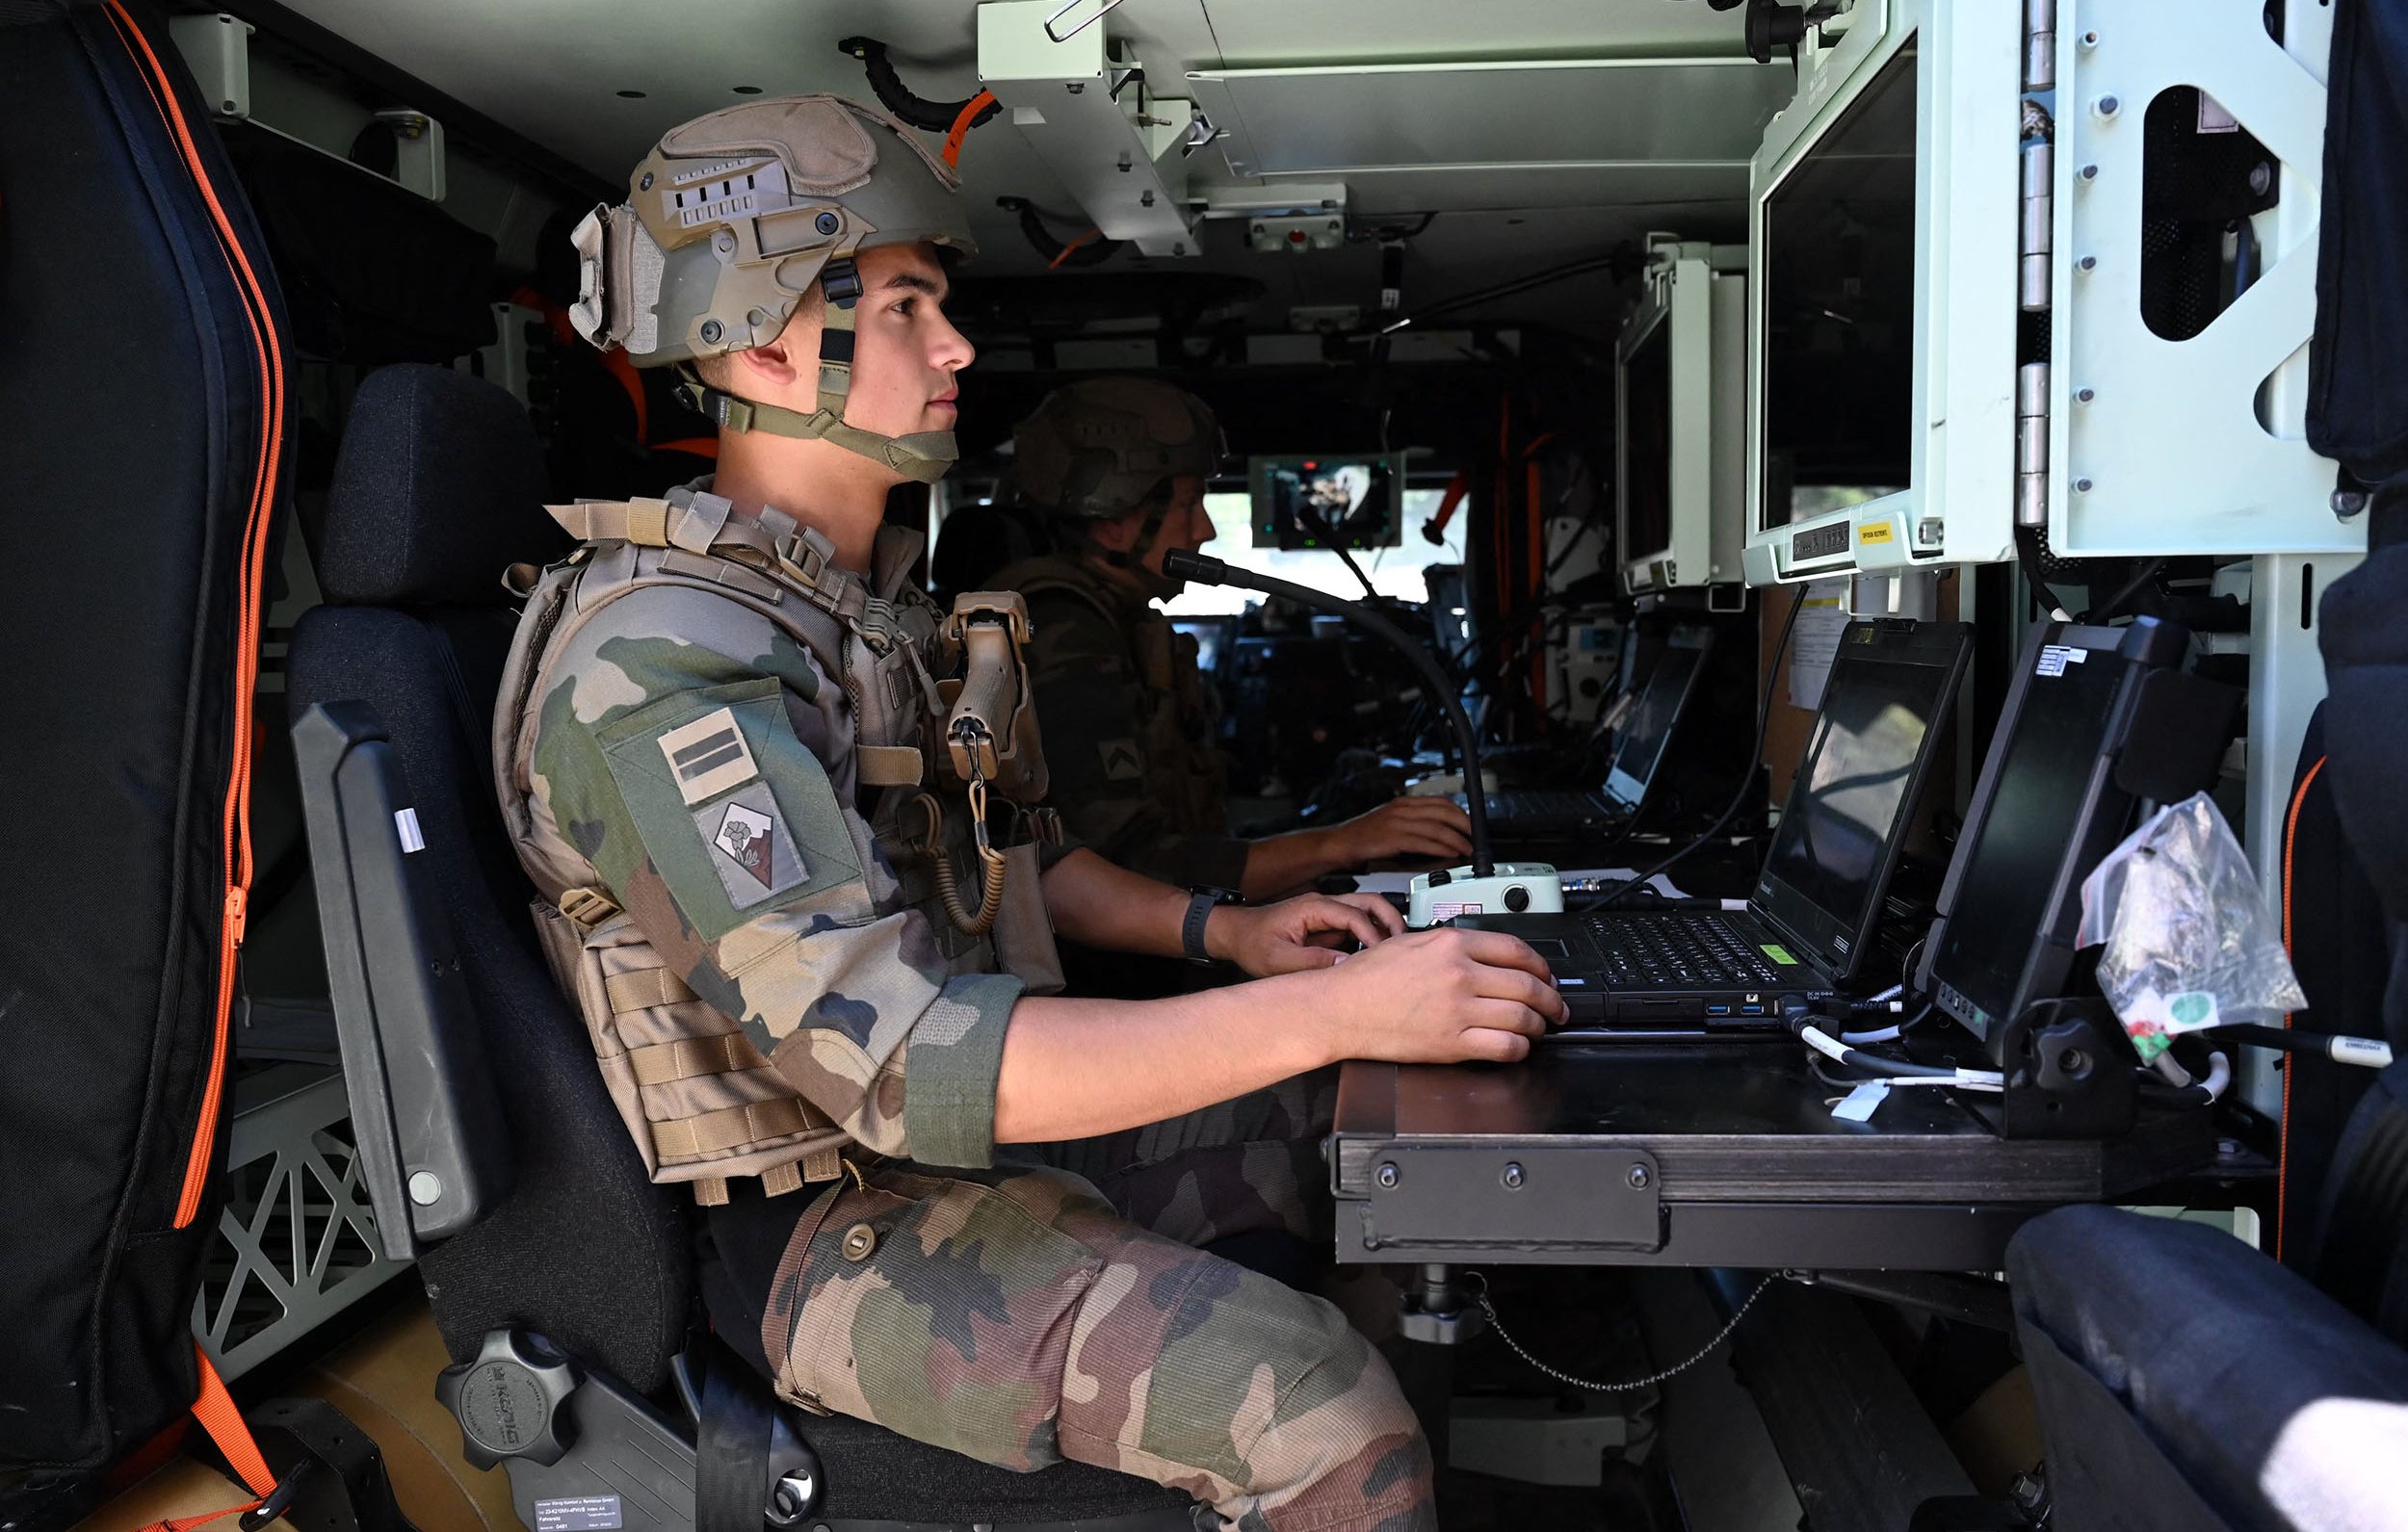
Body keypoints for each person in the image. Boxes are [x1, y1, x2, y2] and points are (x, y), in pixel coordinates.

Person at [494, 94, 1562, 1532]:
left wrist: (1232, 931)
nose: (957, 348)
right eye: (906, 309)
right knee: (1324, 1415)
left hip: (935, 1153)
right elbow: (891, 1063)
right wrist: (1343, 1002)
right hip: (818, 1231)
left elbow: (1017, 864)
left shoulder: (853, 618)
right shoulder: (667, 661)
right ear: (759, 338)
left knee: (1353, 1131)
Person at [997, 379, 1476, 900]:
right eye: (1190, 504)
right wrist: (1339, 843)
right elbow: (1129, 865)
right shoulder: (1062, 632)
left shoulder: (1119, 621)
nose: (1205, 530)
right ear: (1115, 519)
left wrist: (1346, 842)